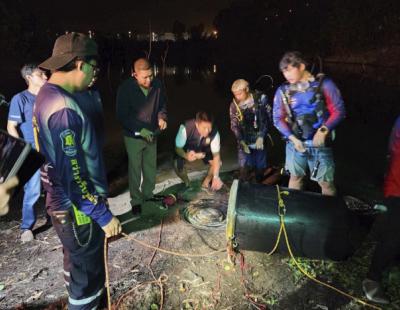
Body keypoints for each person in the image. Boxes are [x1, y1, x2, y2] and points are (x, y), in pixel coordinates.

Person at [33, 32, 121, 309]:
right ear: (80, 64)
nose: (94, 76)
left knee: (77, 267)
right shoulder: (63, 109)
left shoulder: (47, 93)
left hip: (63, 205)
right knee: (88, 280)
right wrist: (102, 215)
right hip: (76, 210)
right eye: (94, 68)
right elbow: (73, 177)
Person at [273, 51, 345, 196]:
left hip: (320, 144)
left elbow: (339, 110)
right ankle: (293, 210)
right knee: (295, 177)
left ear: (301, 66)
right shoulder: (283, 91)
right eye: (283, 72)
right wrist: (292, 138)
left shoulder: (325, 84)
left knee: (326, 183)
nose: (286, 75)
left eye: (289, 70)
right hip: (295, 144)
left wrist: (324, 130)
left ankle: (329, 214)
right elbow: (277, 119)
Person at [116, 58, 167, 216]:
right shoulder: (125, 89)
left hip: (152, 133)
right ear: (134, 74)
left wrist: (162, 117)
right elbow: (122, 115)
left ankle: (148, 194)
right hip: (134, 136)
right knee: (135, 169)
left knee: (150, 166)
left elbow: (162, 104)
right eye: (144, 77)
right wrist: (140, 129)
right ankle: (136, 201)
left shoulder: (158, 84)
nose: (149, 80)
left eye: (151, 75)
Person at [7, 63, 47, 242]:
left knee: (55, 185)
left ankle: (56, 216)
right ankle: (26, 228)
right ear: (29, 77)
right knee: (33, 190)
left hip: (49, 148)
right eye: (41, 74)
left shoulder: (47, 96)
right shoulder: (20, 99)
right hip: (32, 152)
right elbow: (11, 126)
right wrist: (23, 150)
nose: (45, 76)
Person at [362, 116, 400, 305]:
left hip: (395, 184)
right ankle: (372, 280)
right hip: (398, 188)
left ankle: (393, 264)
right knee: (393, 235)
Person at [229, 79, 272, 182]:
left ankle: (258, 186)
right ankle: (244, 188)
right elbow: (234, 125)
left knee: (260, 166)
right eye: (235, 94)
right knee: (244, 167)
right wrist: (241, 141)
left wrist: (262, 136)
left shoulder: (261, 99)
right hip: (244, 139)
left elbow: (269, 118)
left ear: (247, 89)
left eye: (239, 93)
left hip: (260, 139)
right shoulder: (234, 105)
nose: (237, 97)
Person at [174, 111, 223, 191]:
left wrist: (216, 177)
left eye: (209, 127)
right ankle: (187, 183)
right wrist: (185, 155)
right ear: (197, 124)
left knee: (218, 163)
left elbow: (216, 155)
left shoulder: (214, 132)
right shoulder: (185, 127)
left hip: (204, 149)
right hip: (188, 149)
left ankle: (205, 183)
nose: (207, 131)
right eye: (204, 128)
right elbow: (177, 148)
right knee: (177, 164)